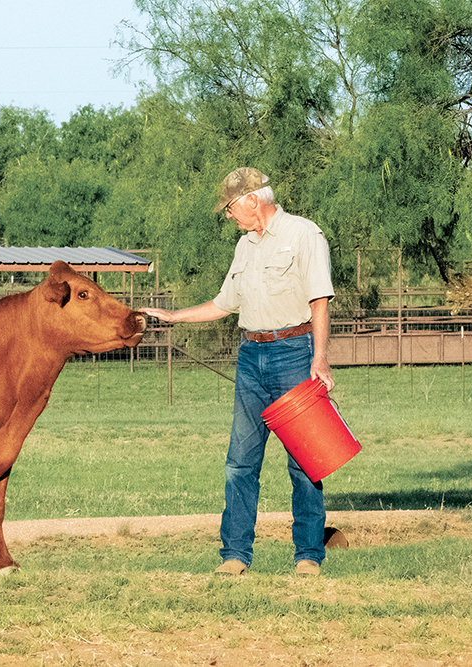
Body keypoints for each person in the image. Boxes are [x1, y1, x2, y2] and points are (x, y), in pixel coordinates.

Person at [141, 167, 335, 577]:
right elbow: (223, 304)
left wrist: (320, 358)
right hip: (251, 357)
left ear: (251, 199)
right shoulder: (245, 247)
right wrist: (173, 316)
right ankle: (235, 556)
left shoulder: (304, 234)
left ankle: (308, 557)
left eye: (230, 207)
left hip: (295, 354)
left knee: (304, 461)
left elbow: (319, 300)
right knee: (240, 462)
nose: (228, 216)